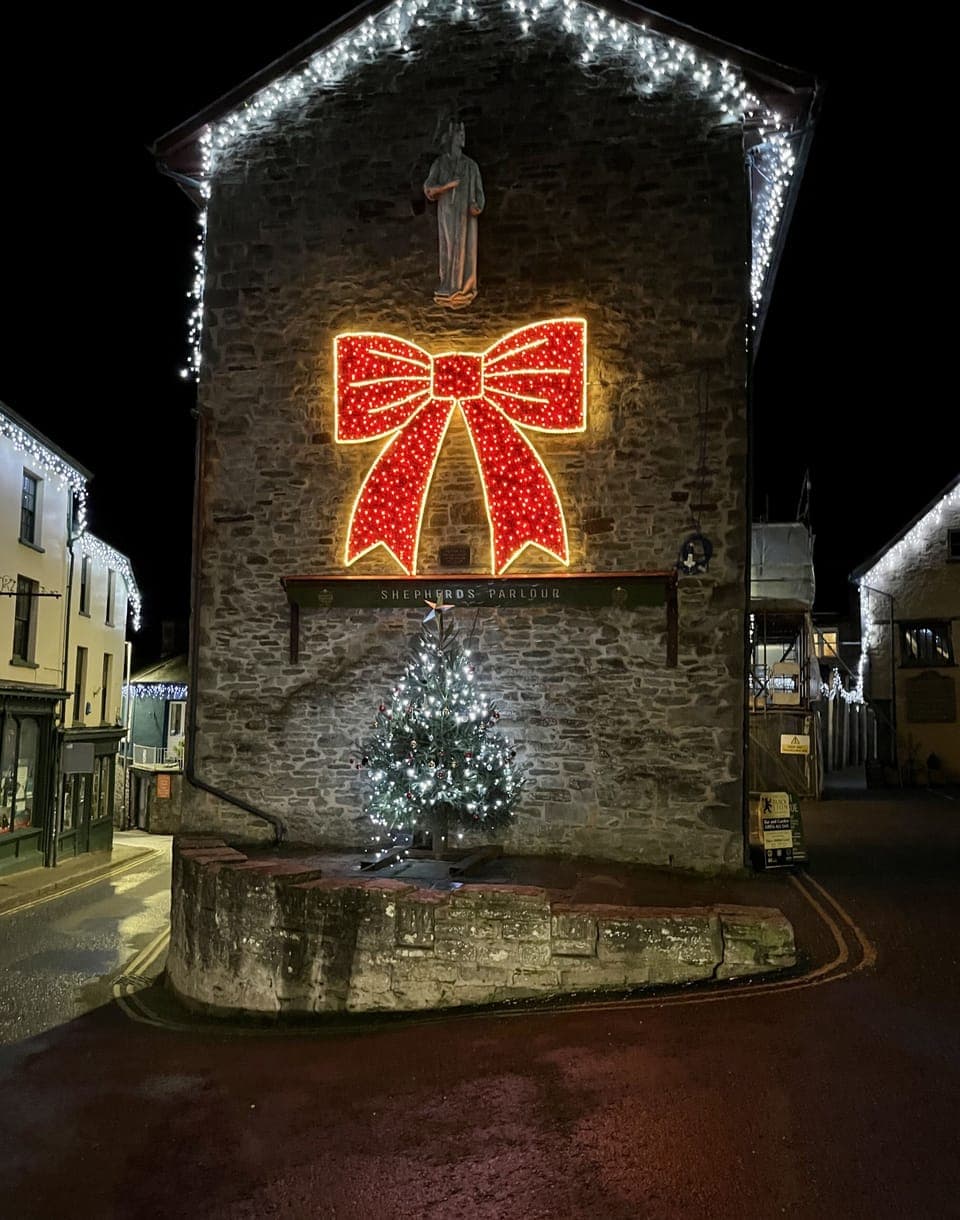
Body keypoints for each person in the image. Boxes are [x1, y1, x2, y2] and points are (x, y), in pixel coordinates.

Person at [423, 121, 484, 308]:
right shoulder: (440, 164)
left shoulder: (470, 166)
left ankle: (464, 287)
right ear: (450, 137)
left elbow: (479, 193)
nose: (462, 137)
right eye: (459, 133)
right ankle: (448, 284)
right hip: (448, 214)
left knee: (466, 249)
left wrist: (477, 206)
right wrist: (446, 186)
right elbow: (429, 189)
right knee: (449, 248)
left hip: (466, 218)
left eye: (463, 133)